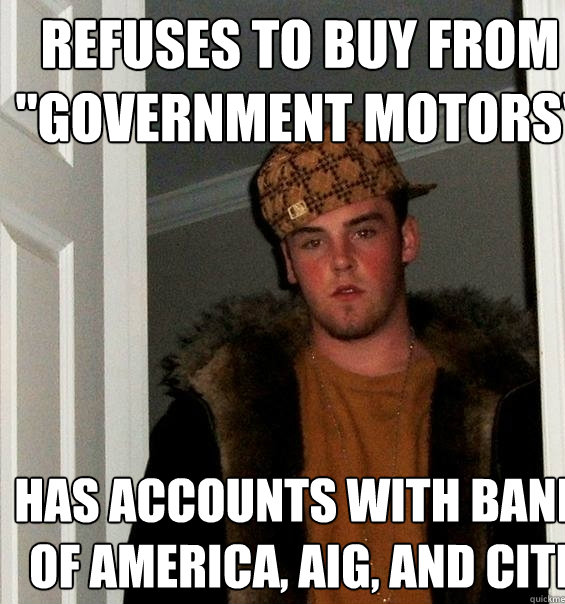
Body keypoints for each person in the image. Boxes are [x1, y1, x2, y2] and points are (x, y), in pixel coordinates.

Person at [126, 122, 543, 604]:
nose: (340, 260)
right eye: (313, 241)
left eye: (363, 231)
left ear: (406, 240)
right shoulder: (209, 422)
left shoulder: (515, 409)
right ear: (289, 263)